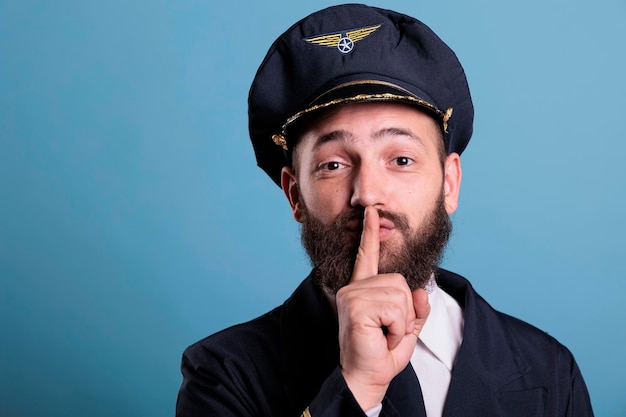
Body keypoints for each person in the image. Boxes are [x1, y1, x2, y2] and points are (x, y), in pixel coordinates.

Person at [176, 4, 593, 416]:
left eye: (401, 160)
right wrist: (356, 388)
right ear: (295, 195)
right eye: (333, 165)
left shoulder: (551, 372)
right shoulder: (224, 373)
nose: (367, 193)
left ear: (449, 183)